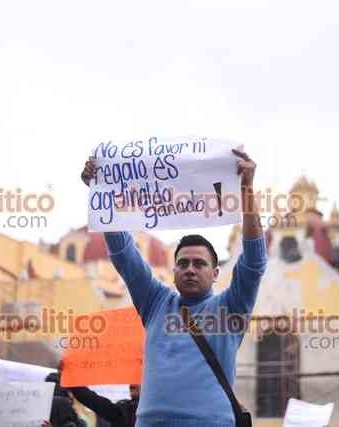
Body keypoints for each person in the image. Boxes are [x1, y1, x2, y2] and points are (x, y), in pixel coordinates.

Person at [80, 148, 267, 426]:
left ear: (216, 273)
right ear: (174, 270)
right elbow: (124, 253)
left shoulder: (230, 309)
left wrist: (247, 190)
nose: (190, 269)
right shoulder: (155, 302)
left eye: (199, 264)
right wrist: (101, 190)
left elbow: (254, 261)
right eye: (183, 263)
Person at [47, 371, 139, 427]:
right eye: (132, 379)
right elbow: (93, 400)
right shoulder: (123, 409)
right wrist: (69, 377)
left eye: (139, 380)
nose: (132, 384)